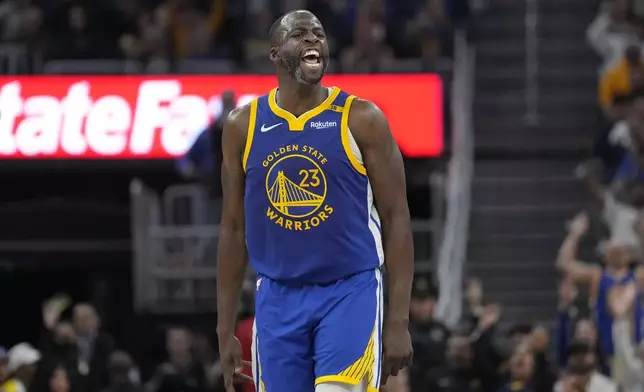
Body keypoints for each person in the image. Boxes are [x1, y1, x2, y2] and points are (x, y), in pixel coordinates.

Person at [216, 9, 414, 392]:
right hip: (276, 296)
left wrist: (399, 320)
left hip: (349, 291)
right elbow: (233, 226)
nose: (312, 40)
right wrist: (225, 329)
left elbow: (397, 217)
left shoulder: (363, 119)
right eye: (300, 34)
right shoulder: (243, 125)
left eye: (319, 34)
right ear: (275, 53)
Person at [556, 211, 644, 374]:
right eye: (615, 248)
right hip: (604, 354)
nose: (619, 252)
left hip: (634, 354)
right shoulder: (598, 276)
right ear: (606, 252)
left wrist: (641, 233)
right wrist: (574, 235)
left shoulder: (638, 276)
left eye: (623, 249)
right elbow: (564, 264)